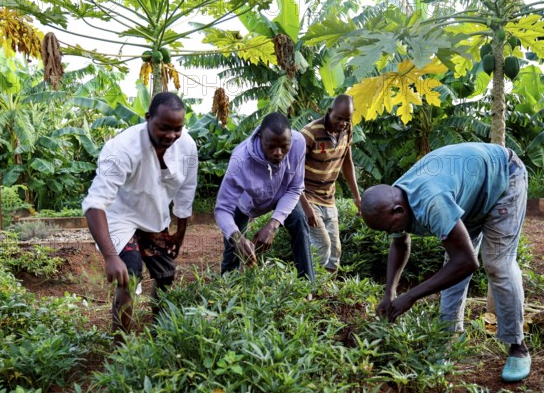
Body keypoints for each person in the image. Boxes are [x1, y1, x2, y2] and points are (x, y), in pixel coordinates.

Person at [360, 142, 530, 382]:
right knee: (451, 265)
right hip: (470, 195)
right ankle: (446, 338)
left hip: (504, 178)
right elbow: (399, 242)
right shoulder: (394, 197)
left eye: (390, 227)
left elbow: (468, 263)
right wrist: (389, 291)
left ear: (398, 210)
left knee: (497, 263)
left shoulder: (433, 202)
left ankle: (518, 347)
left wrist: (411, 296)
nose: (391, 232)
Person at [82, 92, 198, 340]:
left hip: (155, 216)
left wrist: (180, 231)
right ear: (148, 118)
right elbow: (95, 204)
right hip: (119, 216)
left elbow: (187, 189)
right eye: (164, 128)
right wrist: (110, 256)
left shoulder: (187, 146)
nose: (171, 135)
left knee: (166, 275)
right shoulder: (122, 148)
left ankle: (160, 330)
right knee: (129, 274)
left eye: (177, 129)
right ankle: (121, 344)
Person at [215, 112, 315, 281]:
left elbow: (295, 187)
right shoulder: (240, 161)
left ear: (291, 138)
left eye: (284, 146)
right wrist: (237, 237)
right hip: (245, 202)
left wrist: (273, 225)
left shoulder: (298, 144)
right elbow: (222, 209)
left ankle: (307, 285)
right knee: (233, 248)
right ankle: (227, 290)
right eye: (271, 146)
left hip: (282, 196)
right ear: (260, 137)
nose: (278, 153)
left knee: (299, 222)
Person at [299, 95, 361, 272]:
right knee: (321, 246)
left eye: (347, 119)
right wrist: (305, 206)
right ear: (329, 112)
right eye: (339, 118)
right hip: (308, 197)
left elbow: (347, 161)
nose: (342, 123)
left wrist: (357, 197)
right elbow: (292, 171)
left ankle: (325, 295)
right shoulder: (310, 133)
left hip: (328, 198)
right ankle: (307, 289)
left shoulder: (348, 130)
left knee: (335, 252)